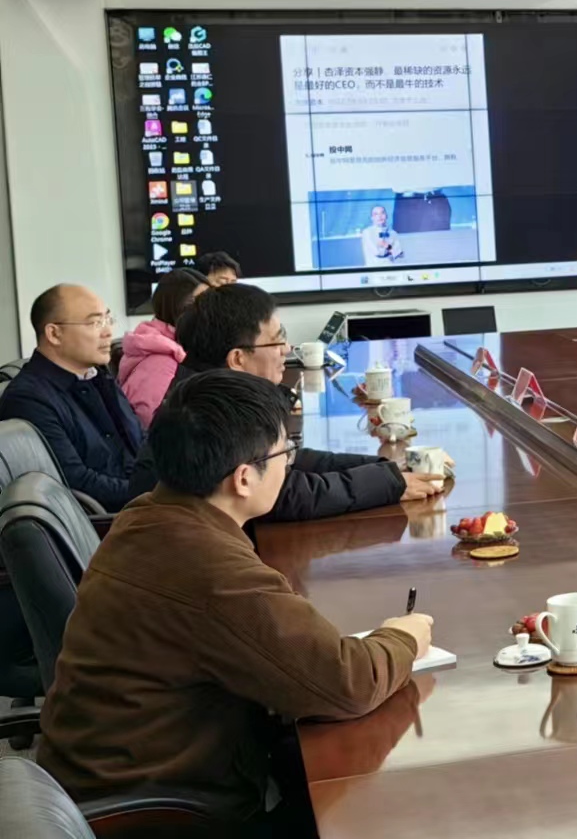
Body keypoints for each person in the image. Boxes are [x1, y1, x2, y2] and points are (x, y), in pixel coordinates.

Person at [37, 369, 432, 823]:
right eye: (286, 453)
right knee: (380, 805)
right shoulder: (207, 567)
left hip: (110, 782)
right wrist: (403, 637)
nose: (289, 465)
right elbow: (347, 683)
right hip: (159, 815)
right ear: (244, 478)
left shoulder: (149, 515)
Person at [130, 283, 446, 518]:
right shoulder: (209, 409)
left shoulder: (213, 387)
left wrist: (385, 468)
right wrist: (390, 483)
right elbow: (287, 494)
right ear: (238, 358)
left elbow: (286, 459)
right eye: (277, 340)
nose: (287, 349)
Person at [0, 284, 143, 511]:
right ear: (54, 334)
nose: (108, 332)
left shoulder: (97, 376)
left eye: (107, 320)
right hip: (111, 519)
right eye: (95, 323)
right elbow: (77, 484)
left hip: (142, 504)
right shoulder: (28, 399)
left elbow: (140, 443)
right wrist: (154, 493)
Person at [118, 267, 208, 426]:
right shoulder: (161, 360)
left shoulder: (177, 344)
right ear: (177, 307)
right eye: (201, 303)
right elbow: (146, 423)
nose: (209, 311)